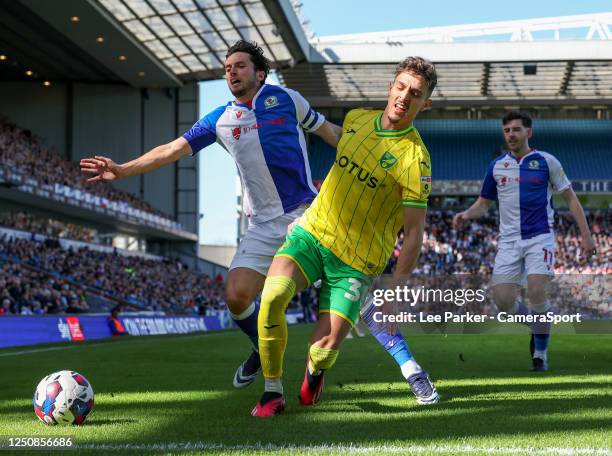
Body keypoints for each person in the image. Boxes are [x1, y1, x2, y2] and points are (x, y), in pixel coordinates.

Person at [81, 40, 341, 387]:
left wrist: (372, 148)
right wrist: (124, 169)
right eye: (227, 67)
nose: (231, 71)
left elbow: (331, 133)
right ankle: (260, 350)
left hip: (303, 216)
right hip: (262, 225)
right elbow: (171, 149)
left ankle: (324, 369)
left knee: (317, 289)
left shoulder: (288, 100)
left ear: (260, 73)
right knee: (236, 297)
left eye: (240, 65)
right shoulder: (220, 119)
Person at [252, 57, 440, 418]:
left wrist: (395, 291)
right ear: (391, 87)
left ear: (424, 104)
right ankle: (272, 391)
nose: (405, 96)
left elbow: (414, 233)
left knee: (322, 348)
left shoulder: (416, 159)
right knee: (273, 294)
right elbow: (344, 142)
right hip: (313, 233)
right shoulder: (356, 119)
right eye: (401, 87)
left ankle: (315, 371)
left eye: (415, 94)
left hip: (356, 260)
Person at [453, 111, 596, 371]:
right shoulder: (496, 166)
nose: (511, 134)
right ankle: (536, 324)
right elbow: (483, 203)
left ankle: (540, 355)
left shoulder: (546, 161)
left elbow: (571, 199)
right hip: (508, 242)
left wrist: (586, 236)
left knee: (537, 291)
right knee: (503, 302)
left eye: (516, 129)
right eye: (507, 130)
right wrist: (466, 214)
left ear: (528, 132)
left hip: (539, 237)